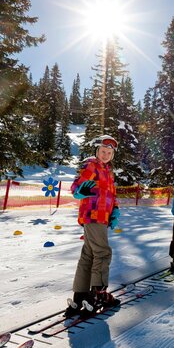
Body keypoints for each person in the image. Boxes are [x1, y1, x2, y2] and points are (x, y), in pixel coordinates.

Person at [65, 135, 121, 317]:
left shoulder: (108, 171)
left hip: (101, 217)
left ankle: (80, 295)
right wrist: (79, 191)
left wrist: (115, 210)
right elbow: (76, 187)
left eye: (109, 153)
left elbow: (110, 195)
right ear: (97, 151)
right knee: (103, 253)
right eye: (103, 151)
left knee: (88, 255)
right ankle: (98, 295)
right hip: (94, 215)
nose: (105, 155)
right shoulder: (92, 166)